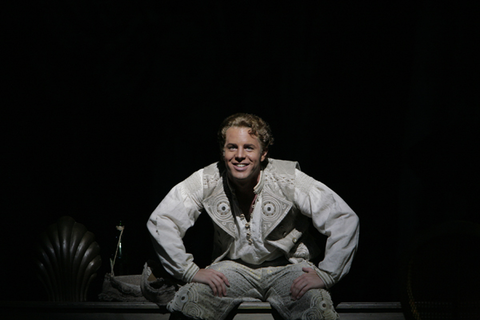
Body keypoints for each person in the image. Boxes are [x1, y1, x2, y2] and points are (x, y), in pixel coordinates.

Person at [147, 113, 359, 320]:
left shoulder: (288, 178)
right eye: (232, 147)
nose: (240, 155)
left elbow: (343, 218)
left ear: (263, 153)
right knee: (190, 300)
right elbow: (162, 220)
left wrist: (327, 274)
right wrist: (188, 271)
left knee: (315, 303)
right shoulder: (207, 179)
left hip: (287, 268)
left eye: (249, 147)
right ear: (223, 151)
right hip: (232, 270)